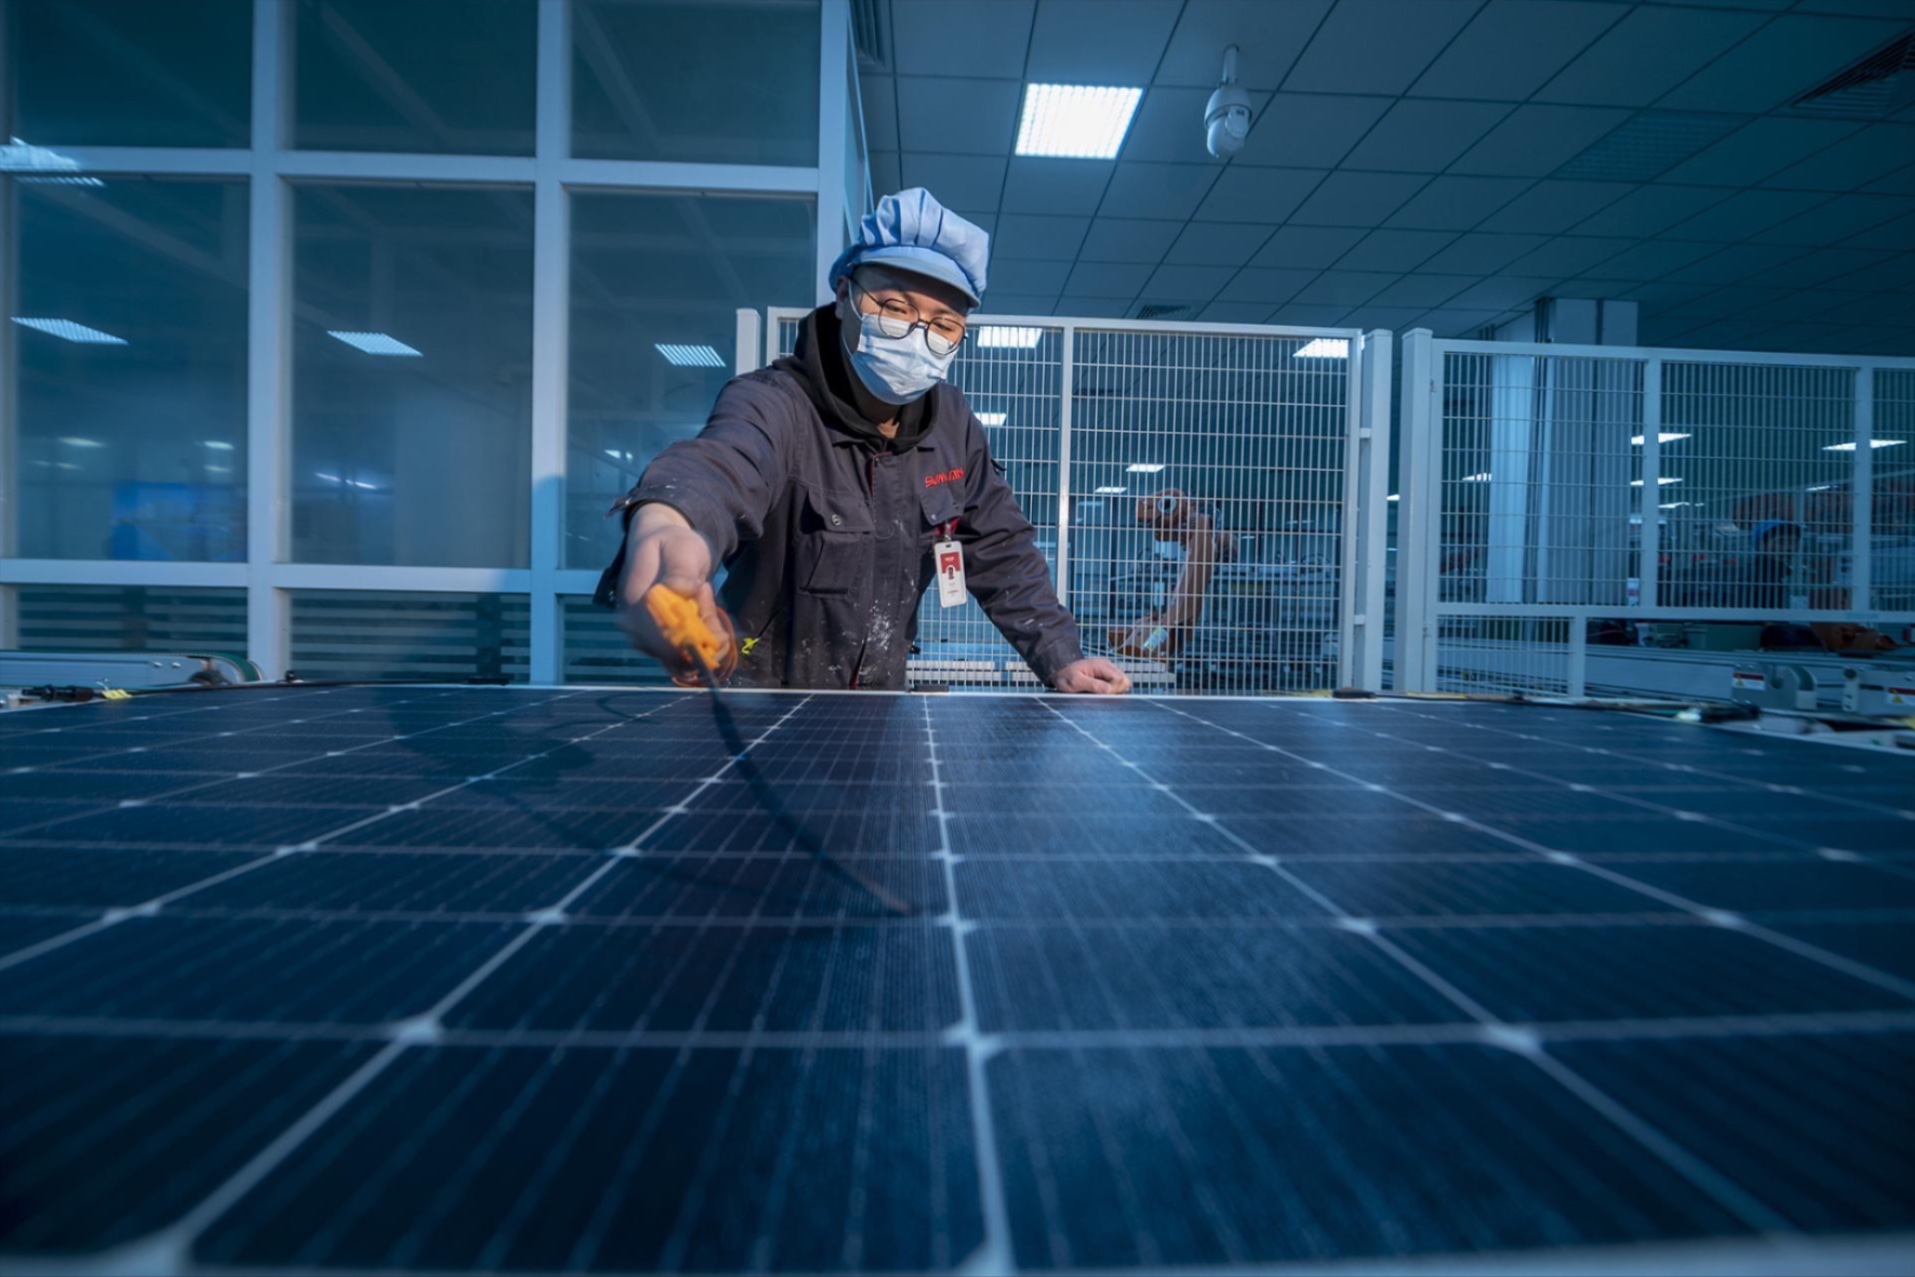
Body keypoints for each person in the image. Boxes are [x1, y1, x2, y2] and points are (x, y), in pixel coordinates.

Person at [596, 188, 1130, 694]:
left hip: (878, 702)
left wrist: (1062, 654)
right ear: (845, 293)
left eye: (945, 323)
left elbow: (1000, 547)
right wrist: (670, 522)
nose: (919, 334)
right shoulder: (776, 402)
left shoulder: (952, 425)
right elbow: (721, 464)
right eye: (896, 307)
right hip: (759, 704)